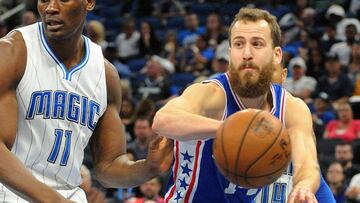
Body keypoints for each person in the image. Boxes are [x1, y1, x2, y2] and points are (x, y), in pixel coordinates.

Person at [0, 0, 173, 202]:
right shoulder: (11, 52)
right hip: (9, 194)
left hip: (69, 195)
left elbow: (108, 167)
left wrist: (148, 167)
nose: (50, 7)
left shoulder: (105, 74)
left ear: (89, 2)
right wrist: (53, 200)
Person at [153, 7, 320, 203]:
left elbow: (307, 164)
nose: (246, 53)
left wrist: (303, 186)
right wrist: (232, 129)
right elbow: (162, 120)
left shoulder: (292, 107)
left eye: (257, 44)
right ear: (230, 52)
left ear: (276, 55)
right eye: (239, 44)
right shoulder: (212, 94)